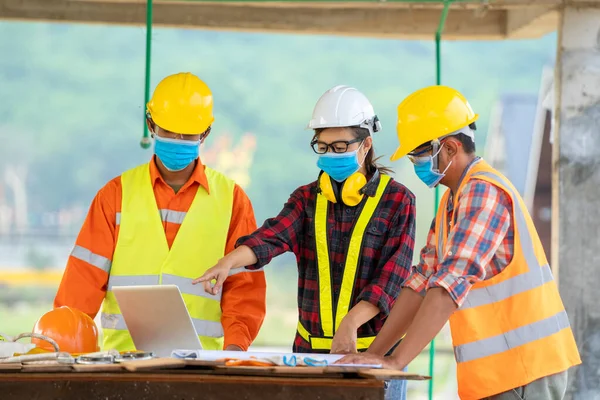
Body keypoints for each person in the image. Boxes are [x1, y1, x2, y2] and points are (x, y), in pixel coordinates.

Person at [336, 85, 582, 399]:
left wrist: (396, 362)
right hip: (500, 373)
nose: (415, 164)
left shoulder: (483, 192)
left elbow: (448, 285)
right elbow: (422, 282)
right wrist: (377, 356)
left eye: (419, 154)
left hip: (524, 369)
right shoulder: (453, 201)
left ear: (450, 148)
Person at [193, 85, 416, 400]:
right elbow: (271, 236)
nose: (330, 155)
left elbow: (393, 278)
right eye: (322, 147)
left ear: (366, 144)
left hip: (373, 358)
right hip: (309, 357)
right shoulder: (306, 199)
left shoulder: (398, 201)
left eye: (340, 146)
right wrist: (228, 262)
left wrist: (351, 322)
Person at [54, 72, 267, 353]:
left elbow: (244, 289)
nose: (177, 139)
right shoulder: (115, 196)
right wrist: (59, 347)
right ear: (150, 124)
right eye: (168, 130)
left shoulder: (233, 201)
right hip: (124, 362)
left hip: (201, 366)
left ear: (206, 133)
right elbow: (82, 284)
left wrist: (234, 352)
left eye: (187, 133)